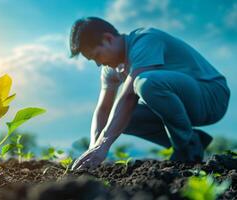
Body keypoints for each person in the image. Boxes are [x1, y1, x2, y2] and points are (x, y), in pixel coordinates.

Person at [69, 17, 230, 170]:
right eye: (93, 60)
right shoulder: (110, 69)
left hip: (212, 97)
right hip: (184, 105)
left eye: (97, 55)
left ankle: (184, 147)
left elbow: (129, 97)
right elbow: (104, 109)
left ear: (108, 39)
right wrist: (93, 148)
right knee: (121, 117)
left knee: (146, 83)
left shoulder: (144, 40)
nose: (98, 64)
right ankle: (192, 143)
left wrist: (103, 144)